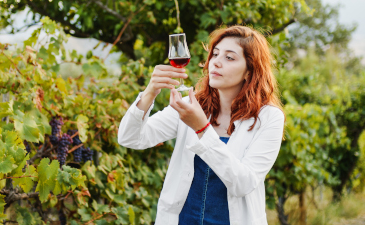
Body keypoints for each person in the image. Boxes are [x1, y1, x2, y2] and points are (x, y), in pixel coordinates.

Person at [118, 25, 285, 225]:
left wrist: (201, 129)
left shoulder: (268, 118)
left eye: (229, 57)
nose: (216, 62)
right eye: (215, 54)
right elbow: (130, 138)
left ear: (249, 71)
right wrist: (149, 92)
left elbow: (243, 183)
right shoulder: (193, 105)